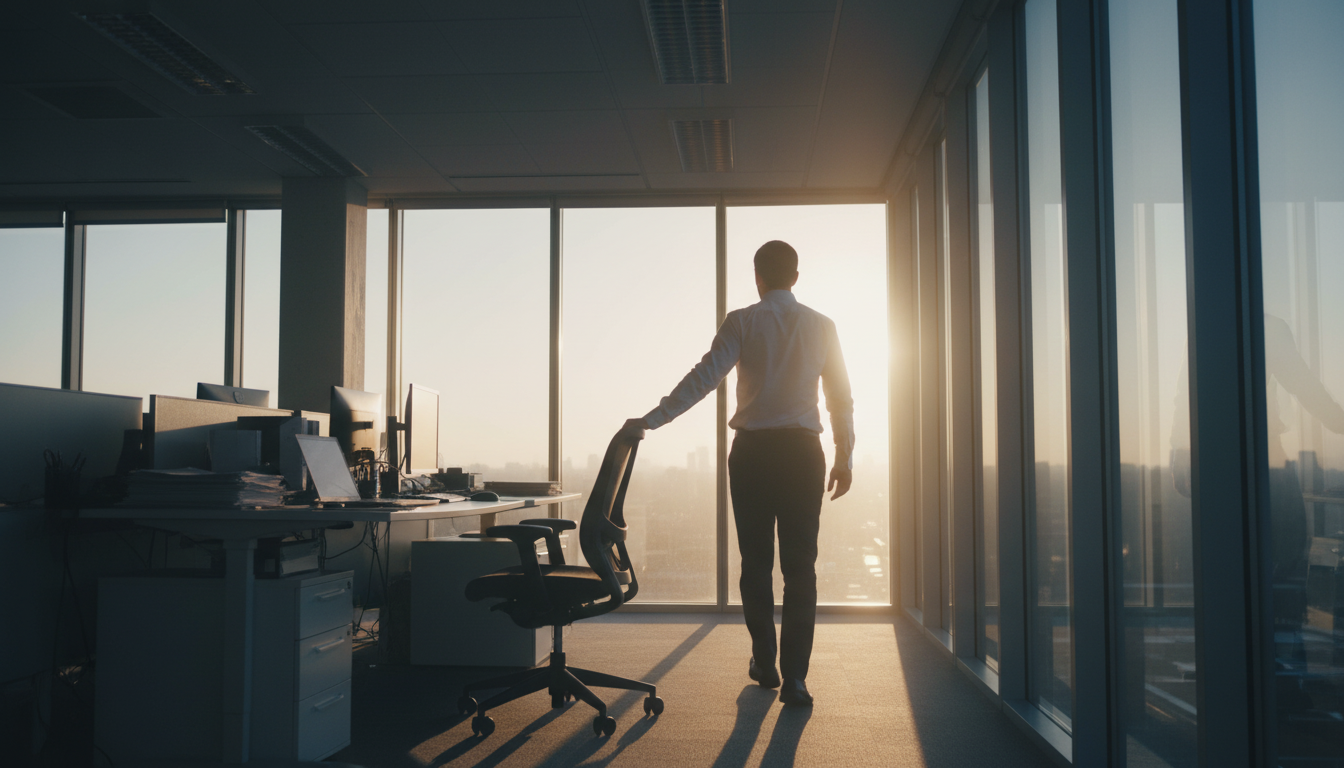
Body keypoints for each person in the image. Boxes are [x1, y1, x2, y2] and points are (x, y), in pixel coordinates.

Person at [621, 240, 854, 706]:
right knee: (800, 568)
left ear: (758, 277)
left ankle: (764, 662)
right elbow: (840, 397)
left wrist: (654, 417)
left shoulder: (742, 321)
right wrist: (845, 454)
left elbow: (706, 376)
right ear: (796, 276)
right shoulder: (823, 326)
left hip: (752, 454)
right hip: (803, 454)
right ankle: (797, 680)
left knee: (755, 565)